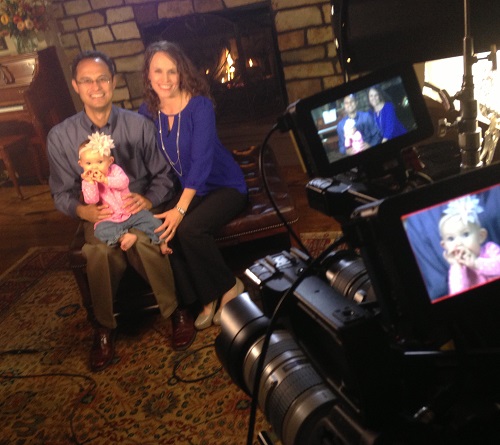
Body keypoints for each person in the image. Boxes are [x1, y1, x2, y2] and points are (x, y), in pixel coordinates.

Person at [47, 50, 196, 372]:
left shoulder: (140, 125)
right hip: (98, 214)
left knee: (145, 241)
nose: (95, 86)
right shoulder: (60, 137)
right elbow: (60, 192)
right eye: (86, 80)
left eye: (102, 78)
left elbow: (163, 175)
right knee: (98, 253)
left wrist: (149, 198)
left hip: (137, 206)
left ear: (113, 82)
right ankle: (103, 326)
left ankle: (175, 312)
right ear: (76, 85)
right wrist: (82, 211)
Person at [138, 41, 248, 330]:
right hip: (187, 189)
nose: (165, 79)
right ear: (148, 75)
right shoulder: (147, 112)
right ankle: (205, 297)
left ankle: (228, 287)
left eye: (171, 71)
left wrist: (179, 209)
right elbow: (141, 155)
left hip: (224, 185)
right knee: (165, 230)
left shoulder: (200, 106)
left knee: (188, 228)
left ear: (182, 73)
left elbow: (201, 164)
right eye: (157, 71)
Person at [78, 132, 171, 254]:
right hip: (110, 218)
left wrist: (106, 180)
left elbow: (123, 183)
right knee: (100, 231)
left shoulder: (115, 170)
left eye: (100, 162)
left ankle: (162, 242)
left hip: (130, 211)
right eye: (89, 164)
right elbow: (92, 200)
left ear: (110, 161)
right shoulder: (87, 182)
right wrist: (91, 183)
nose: (94, 167)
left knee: (151, 220)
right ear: (81, 164)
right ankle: (123, 237)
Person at [439, 195, 500, 296]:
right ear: (444, 246)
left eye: (465, 234)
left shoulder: (490, 249)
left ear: (481, 236)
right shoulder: (456, 268)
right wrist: (458, 267)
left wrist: (476, 263)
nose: (458, 243)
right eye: (451, 239)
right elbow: (457, 293)